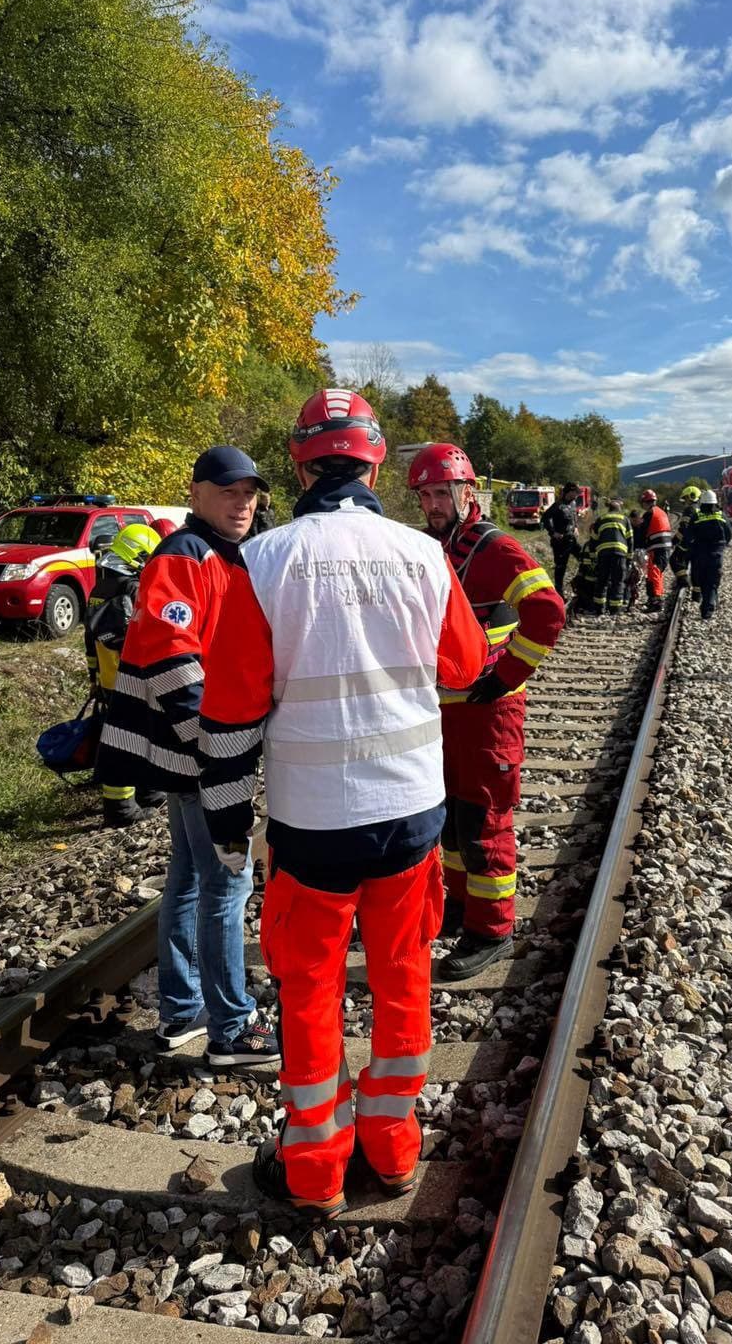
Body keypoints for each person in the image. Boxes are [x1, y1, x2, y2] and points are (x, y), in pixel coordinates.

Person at [197, 390, 487, 1217]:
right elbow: (465, 670)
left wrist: (228, 827)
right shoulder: (423, 555)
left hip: (313, 824)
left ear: (299, 462)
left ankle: (315, 1171)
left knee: (311, 991)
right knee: (403, 982)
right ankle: (394, 1153)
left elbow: (229, 715)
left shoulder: (260, 562)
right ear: (374, 459)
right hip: (410, 818)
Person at [98, 446, 279, 1067]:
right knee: (228, 877)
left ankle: (181, 1010)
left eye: (250, 492)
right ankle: (232, 1027)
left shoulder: (228, 555)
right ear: (196, 493)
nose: (243, 502)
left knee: (189, 875)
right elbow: (174, 656)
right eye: (229, 491)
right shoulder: (185, 555)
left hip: (190, 754)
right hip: (202, 754)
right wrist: (216, 743)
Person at [409, 444, 565, 981]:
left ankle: (492, 929)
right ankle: (458, 908)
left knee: (483, 822)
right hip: (443, 713)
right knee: (450, 820)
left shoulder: (495, 548)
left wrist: (506, 675)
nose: (432, 503)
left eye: (440, 493)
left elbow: (547, 613)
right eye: (425, 494)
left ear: (467, 492)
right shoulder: (434, 547)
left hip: (488, 712)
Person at [85, 523, 166, 827]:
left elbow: (90, 640)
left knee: (132, 737)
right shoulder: (131, 588)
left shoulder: (99, 588)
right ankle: (121, 809)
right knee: (128, 744)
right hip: (132, 679)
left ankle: (149, 791)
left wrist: (94, 677)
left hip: (109, 679)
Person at [686, 489, 732, 621]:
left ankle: (706, 604)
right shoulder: (721, 516)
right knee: (712, 581)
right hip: (716, 555)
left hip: (700, 555)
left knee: (702, 580)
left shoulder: (696, 516)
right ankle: (709, 606)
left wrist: (688, 551)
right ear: (715, 503)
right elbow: (729, 534)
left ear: (702, 503)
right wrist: (721, 546)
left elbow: (688, 536)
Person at [591, 498, 633, 615]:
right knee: (618, 581)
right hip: (619, 554)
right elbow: (630, 540)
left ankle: (599, 608)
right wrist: (629, 558)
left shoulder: (600, 519)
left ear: (609, 509)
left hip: (603, 554)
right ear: (619, 510)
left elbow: (593, 540)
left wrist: (593, 558)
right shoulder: (625, 519)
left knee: (602, 580)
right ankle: (615, 610)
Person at [541, 482, 582, 598]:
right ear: (570, 492)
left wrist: (576, 528)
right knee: (560, 568)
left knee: (584, 558)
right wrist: (553, 533)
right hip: (561, 542)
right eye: (576, 493)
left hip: (572, 540)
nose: (577, 495)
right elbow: (545, 518)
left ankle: (581, 584)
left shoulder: (573, 504)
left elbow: (574, 517)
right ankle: (559, 593)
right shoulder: (558, 505)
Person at [639, 489, 673, 612]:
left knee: (654, 574)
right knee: (655, 573)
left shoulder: (649, 514)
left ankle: (656, 602)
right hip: (665, 548)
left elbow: (642, 532)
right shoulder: (661, 512)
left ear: (644, 502)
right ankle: (653, 599)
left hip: (656, 548)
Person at [670, 485, 700, 595]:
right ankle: (696, 594)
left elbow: (684, 528)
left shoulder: (690, 510)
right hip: (698, 543)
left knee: (675, 559)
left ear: (691, 497)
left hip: (688, 543)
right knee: (695, 567)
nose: (685, 501)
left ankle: (683, 582)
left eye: (686, 498)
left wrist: (674, 541)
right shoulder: (700, 508)